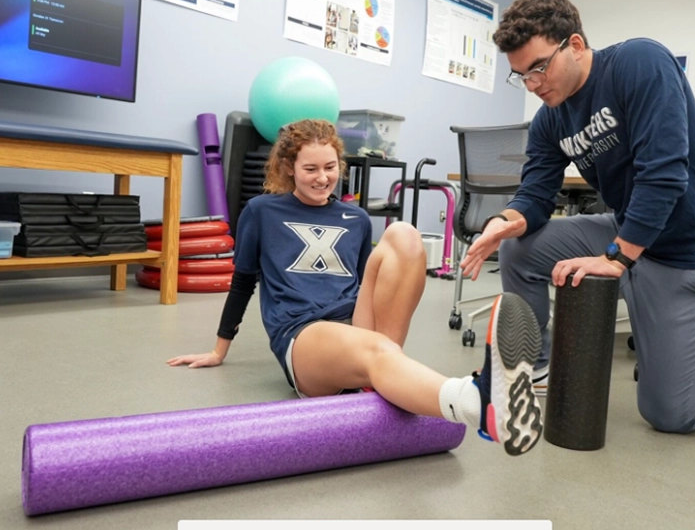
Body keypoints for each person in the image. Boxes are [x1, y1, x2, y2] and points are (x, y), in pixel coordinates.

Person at [461, 0, 695, 434]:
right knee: (520, 247)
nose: (532, 85)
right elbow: (535, 193)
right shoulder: (551, 120)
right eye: (521, 77)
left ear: (574, 45)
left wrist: (616, 257)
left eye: (538, 68)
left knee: (671, 413)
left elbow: (665, 174)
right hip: (629, 234)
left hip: (693, 253)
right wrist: (503, 222)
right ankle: (535, 368)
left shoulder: (639, 63)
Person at [168, 119, 544, 456]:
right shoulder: (262, 212)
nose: (322, 178)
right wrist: (219, 349)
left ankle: (383, 372)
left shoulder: (356, 218)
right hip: (304, 335)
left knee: (403, 234)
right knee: (376, 348)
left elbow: (368, 281)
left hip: (354, 325)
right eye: (310, 169)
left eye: (330, 167)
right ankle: (477, 404)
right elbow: (243, 282)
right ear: (289, 168)